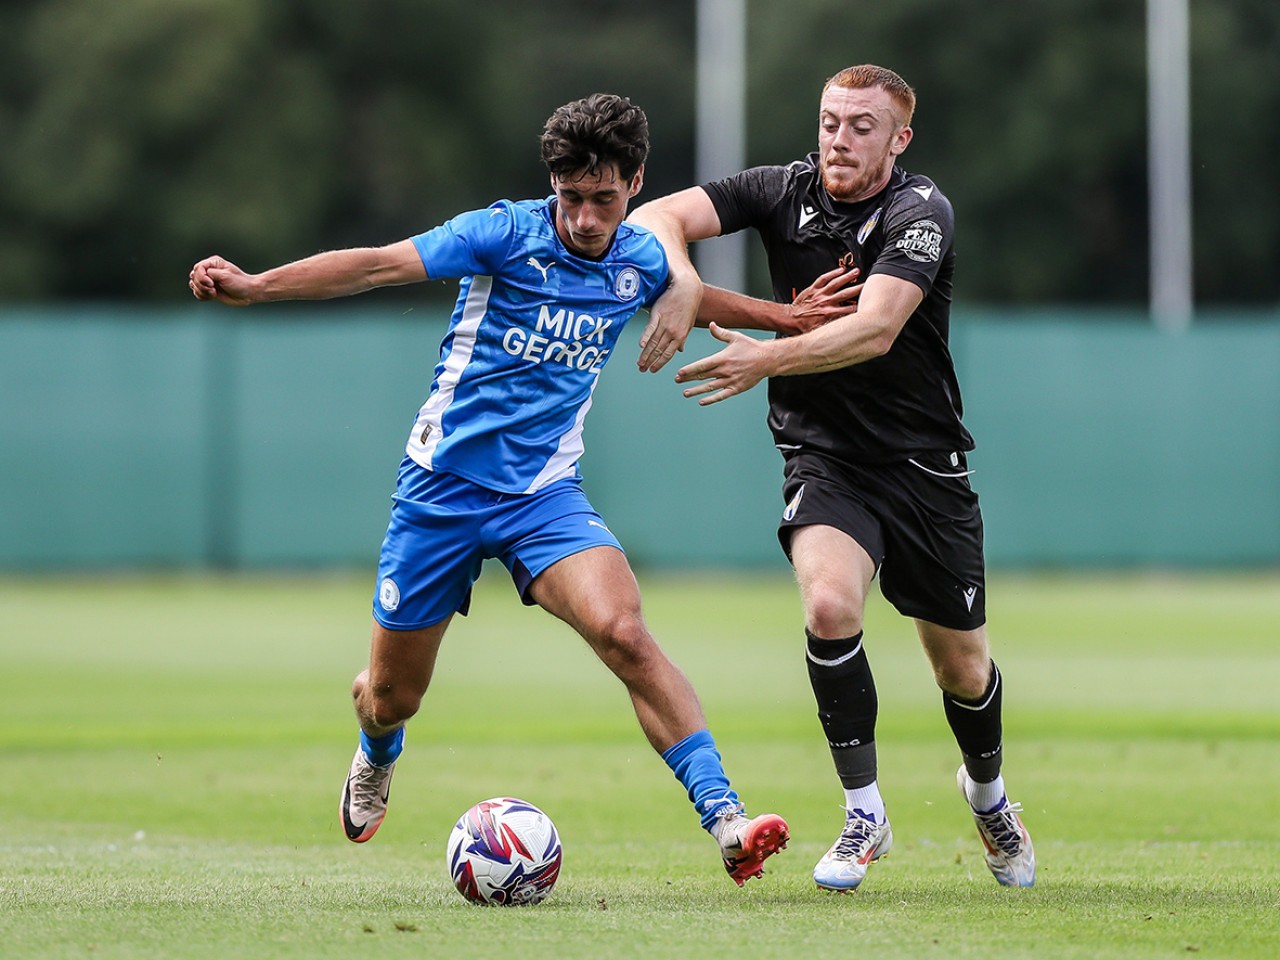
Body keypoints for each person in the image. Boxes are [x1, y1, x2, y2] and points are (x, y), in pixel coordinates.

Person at [188, 93, 789, 886]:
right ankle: (376, 750)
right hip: (439, 493)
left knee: (626, 633)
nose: (582, 217)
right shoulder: (503, 233)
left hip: (544, 494)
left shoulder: (640, 258)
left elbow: (698, 296)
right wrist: (257, 286)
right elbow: (376, 264)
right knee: (391, 697)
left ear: (635, 183)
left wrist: (789, 319)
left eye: (602, 199)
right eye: (570, 197)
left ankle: (727, 819)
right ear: (552, 184)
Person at [628, 65, 1035, 890]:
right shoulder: (780, 190)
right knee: (827, 604)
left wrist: (764, 356)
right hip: (826, 456)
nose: (839, 139)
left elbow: (875, 329)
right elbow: (655, 215)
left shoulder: (921, 212)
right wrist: (682, 280)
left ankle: (988, 795)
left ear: (898, 138)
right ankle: (864, 814)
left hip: (924, 463)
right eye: (829, 121)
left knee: (962, 669)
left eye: (860, 126)